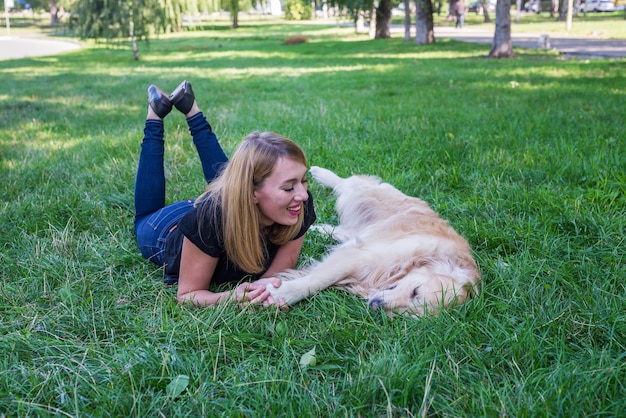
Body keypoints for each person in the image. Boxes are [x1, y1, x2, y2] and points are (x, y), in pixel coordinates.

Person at [134, 80, 316, 308]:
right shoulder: (209, 221)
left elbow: (278, 273)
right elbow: (188, 294)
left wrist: (267, 289)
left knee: (228, 182)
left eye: (303, 181)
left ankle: (190, 107)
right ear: (250, 193)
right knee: (144, 216)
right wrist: (230, 297)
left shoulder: (298, 204)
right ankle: (155, 114)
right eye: (289, 187)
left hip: (219, 207)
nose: (303, 195)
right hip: (164, 229)